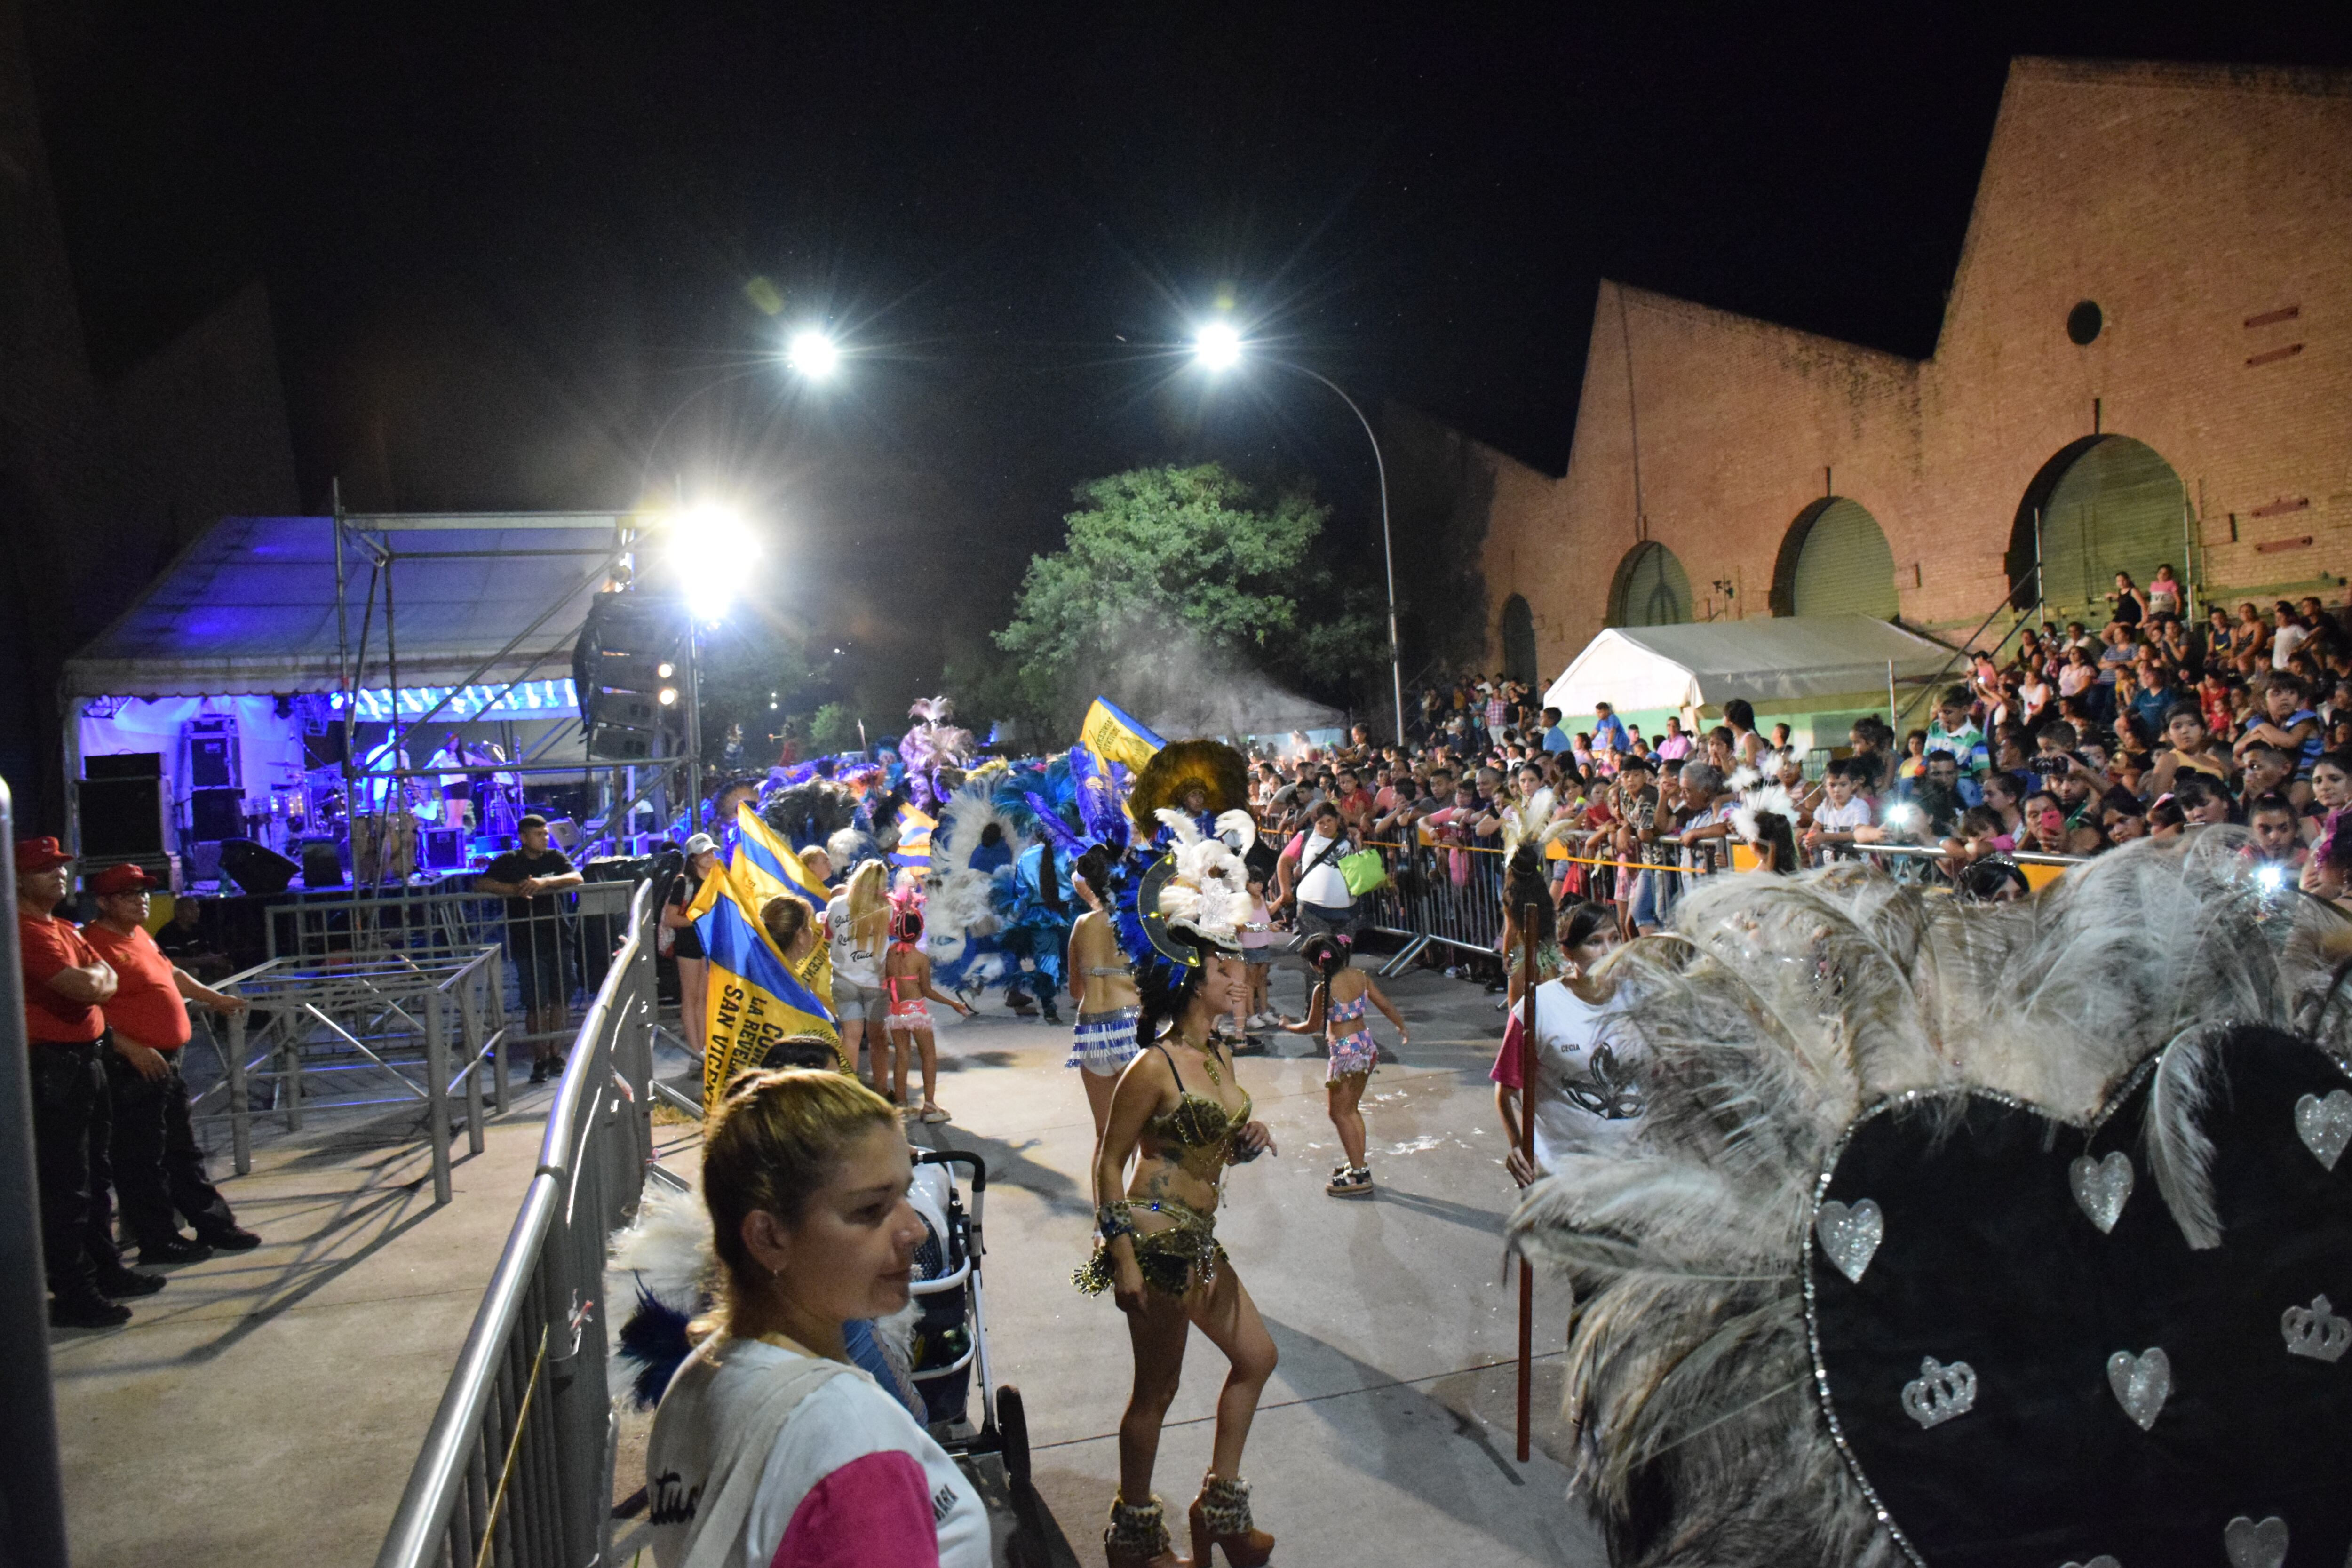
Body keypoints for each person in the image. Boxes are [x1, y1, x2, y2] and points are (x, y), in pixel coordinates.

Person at [644, 1069, 989, 1567]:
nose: (912, 1230)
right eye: (871, 1209)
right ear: (768, 1236)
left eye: (905, 1196)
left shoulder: (694, 1381)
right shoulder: (848, 1427)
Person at [1078, 833, 1279, 1568]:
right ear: (1197, 977)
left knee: (1258, 1356)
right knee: (1156, 1393)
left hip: (1199, 1236)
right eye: (1231, 966)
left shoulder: (1220, 1056)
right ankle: (1133, 1535)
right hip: (1155, 1244)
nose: (1243, 977)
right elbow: (1106, 1164)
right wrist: (1119, 1257)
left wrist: (1246, 1136)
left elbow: (1210, 1146)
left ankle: (1218, 1507)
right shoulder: (1152, 1064)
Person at [83, 864, 261, 1265]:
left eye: (144, 892)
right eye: (129, 895)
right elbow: (87, 1010)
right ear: (104, 902)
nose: (141, 900)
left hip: (165, 1062)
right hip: (135, 1065)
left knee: (181, 1149)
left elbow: (172, 973)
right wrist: (129, 1047)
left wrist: (214, 998)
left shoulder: (140, 936)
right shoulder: (93, 944)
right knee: (143, 1157)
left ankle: (212, 1224)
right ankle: (158, 1238)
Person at [16, 836, 159, 1327]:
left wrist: (96, 978)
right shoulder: (24, 931)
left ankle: (103, 1271)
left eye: (60, 867)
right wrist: (96, 978)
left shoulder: (59, 927)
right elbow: (86, 986)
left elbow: (101, 980)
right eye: (44, 869)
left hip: (85, 1060)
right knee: (67, 1184)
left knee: (95, 1175)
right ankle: (74, 1291)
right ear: (16, 879)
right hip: (57, 1066)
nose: (59, 875)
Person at [1492, 901, 1633, 1185]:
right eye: (1595, 942)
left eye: (1615, 939)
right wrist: (1519, 1147)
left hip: (1637, 1169)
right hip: (1566, 1175)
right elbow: (1506, 1092)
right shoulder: (1537, 1008)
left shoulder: (1639, 998)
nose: (1609, 951)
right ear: (1566, 952)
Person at [1278, 935, 1407, 1199]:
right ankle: (1358, 1162)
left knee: (1339, 1114)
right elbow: (1384, 1004)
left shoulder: (1324, 990)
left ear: (1318, 965)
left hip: (1346, 1055)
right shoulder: (1360, 976)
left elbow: (1312, 1027)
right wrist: (1401, 1025)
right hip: (1367, 1048)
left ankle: (1359, 1174)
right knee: (1351, 1110)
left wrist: (1287, 1025)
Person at [478, 814, 584, 1082]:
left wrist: (544, 883)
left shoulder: (554, 858)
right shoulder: (509, 861)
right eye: (539, 834)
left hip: (559, 937)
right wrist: (514, 889)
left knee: (561, 999)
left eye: (546, 833)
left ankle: (557, 1054)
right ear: (524, 838)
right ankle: (540, 1058)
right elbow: (481, 883)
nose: (545, 838)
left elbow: (577, 878)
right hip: (527, 941)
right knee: (535, 1003)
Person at [1065, 845, 1143, 1140]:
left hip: (1090, 1035)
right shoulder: (1133, 921)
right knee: (1141, 1134)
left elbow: (1075, 992)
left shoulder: (1081, 925)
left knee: (1105, 1135)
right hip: (1130, 1027)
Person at [880, 909, 971, 1122]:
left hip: (895, 1013)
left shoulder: (890, 953)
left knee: (902, 1056)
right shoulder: (921, 959)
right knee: (929, 1056)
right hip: (916, 1013)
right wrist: (953, 1004)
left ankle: (902, 1106)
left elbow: (889, 983)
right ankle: (929, 1106)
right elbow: (927, 991)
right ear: (920, 933)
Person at [824, 859, 891, 1095]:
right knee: (878, 1041)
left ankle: (851, 1094)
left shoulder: (836, 905)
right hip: (875, 982)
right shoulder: (887, 908)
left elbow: (827, 935)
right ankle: (882, 1091)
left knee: (850, 1039)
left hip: (843, 979)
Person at [661, 834, 721, 1059]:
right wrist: (698, 919)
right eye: (705, 853)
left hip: (711, 944)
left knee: (705, 997)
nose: (710, 856)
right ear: (694, 858)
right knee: (691, 997)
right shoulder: (684, 882)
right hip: (689, 944)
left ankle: (705, 1047)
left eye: (712, 852)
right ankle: (696, 1051)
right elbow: (670, 918)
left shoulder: (719, 879)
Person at [1275, 801, 1356, 941]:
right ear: (1314, 824)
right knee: (1320, 954)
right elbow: (1284, 862)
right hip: (1311, 910)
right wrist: (1286, 891)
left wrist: (1360, 843)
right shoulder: (1305, 837)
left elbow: (1364, 863)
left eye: (1330, 820)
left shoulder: (1350, 839)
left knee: (1341, 955)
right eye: (1320, 822)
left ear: (1337, 820)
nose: (1326, 825)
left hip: (1346, 910)